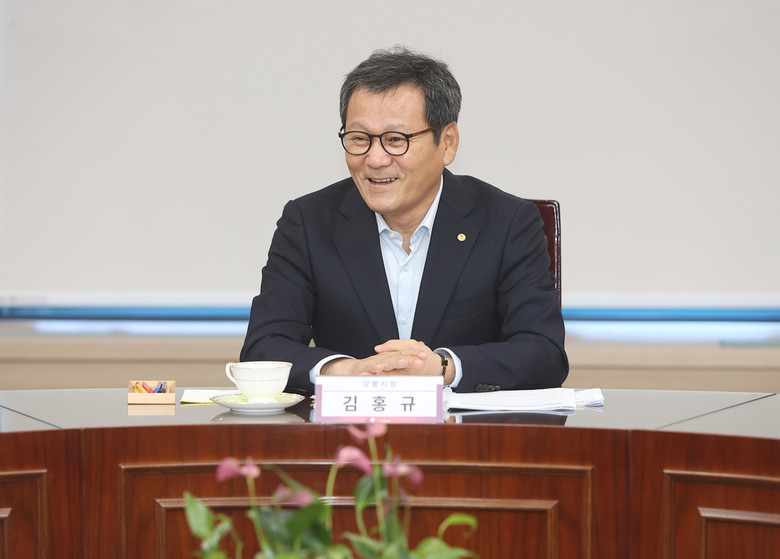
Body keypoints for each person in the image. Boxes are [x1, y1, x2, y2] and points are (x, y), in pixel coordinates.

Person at [240, 46, 568, 395]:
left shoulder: (507, 223)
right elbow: (264, 347)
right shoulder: (308, 223)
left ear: (448, 143)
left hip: (464, 429)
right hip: (350, 427)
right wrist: (347, 371)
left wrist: (442, 368)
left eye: (396, 140)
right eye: (359, 139)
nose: (375, 159)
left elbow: (543, 352)